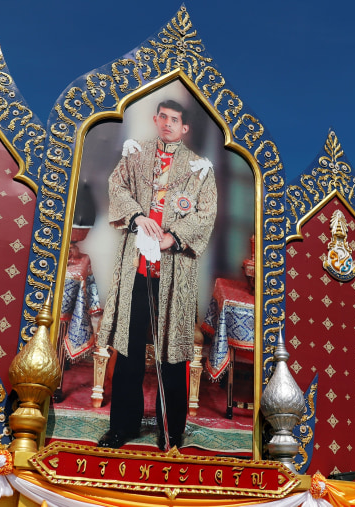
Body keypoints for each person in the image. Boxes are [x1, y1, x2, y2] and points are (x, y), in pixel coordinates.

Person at [97, 99, 217, 450]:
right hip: (136, 268)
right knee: (130, 351)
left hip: (175, 272)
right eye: (162, 117)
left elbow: (206, 213)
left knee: (173, 354)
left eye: (174, 119)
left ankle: (170, 431)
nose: (167, 124)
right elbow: (116, 187)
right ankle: (122, 426)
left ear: (185, 128)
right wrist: (136, 216)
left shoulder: (199, 168)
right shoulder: (135, 153)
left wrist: (173, 237)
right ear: (155, 119)